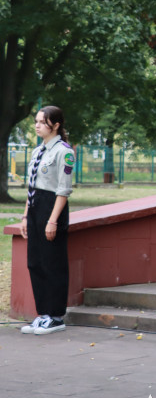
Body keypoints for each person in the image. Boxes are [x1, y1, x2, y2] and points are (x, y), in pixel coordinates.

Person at [17, 106, 75, 335]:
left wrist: (52, 221)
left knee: (53, 262)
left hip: (52, 208)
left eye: (42, 122)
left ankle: (56, 316)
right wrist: (25, 216)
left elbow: (63, 190)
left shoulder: (64, 152)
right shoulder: (37, 151)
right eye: (36, 121)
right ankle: (43, 314)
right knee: (35, 262)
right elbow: (31, 187)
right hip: (35, 206)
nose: (37, 125)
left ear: (56, 125)